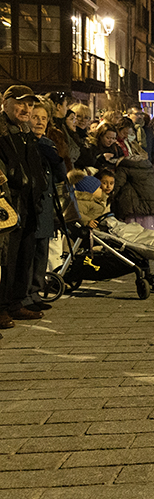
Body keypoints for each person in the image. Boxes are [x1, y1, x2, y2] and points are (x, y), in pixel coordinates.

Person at [0, 86, 48, 328]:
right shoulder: (1, 131)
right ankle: (1, 307)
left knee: (23, 255)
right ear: (5, 103)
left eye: (30, 104)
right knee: (4, 259)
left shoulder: (26, 132)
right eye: (20, 103)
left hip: (28, 204)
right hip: (7, 205)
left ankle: (15, 303)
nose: (26, 109)